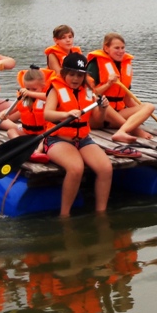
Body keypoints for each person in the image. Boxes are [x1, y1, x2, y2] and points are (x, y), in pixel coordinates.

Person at [43, 53, 113, 216]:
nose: (75, 79)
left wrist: (102, 109)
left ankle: (101, 212)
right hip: (57, 138)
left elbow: (97, 121)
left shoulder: (89, 91)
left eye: (80, 75)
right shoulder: (55, 89)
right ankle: (65, 214)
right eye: (72, 74)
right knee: (75, 168)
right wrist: (65, 114)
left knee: (106, 168)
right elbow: (47, 114)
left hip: (83, 139)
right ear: (64, 74)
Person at [87, 32, 157, 145]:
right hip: (99, 116)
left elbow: (127, 100)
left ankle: (123, 130)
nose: (121, 51)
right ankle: (134, 130)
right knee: (101, 100)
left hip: (118, 115)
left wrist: (140, 116)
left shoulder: (126, 65)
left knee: (149, 106)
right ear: (106, 48)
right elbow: (89, 95)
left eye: (122, 48)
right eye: (116, 48)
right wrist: (108, 84)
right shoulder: (95, 64)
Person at [6, 66, 50, 162]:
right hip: (28, 133)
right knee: (11, 131)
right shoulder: (24, 98)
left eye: (34, 89)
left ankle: (37, 152)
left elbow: (48, 97)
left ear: (43, 86)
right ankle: (22, 147)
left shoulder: (47, 96)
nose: (30, 91)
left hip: (44, 133)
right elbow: (14, 108)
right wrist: (4, 114)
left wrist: (30, 93)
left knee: (49, 136)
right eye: (28, 88)